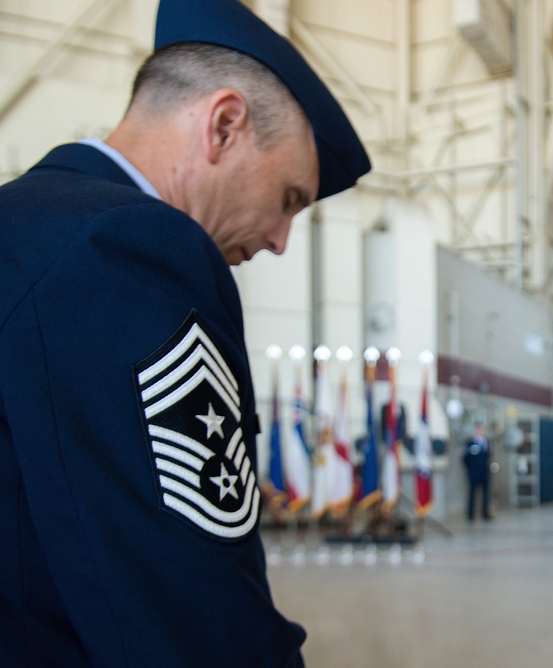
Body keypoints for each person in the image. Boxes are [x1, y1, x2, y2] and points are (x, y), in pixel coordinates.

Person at [0, 0, 369, 665]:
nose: (282, 241)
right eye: (289, 199)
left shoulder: (23, 226)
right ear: (225, 124)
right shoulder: (130, 247)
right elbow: (191, 609)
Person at [463, 422, 492, 521]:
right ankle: (470, 514)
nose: (480, 431)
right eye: (478, 429)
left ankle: (485, 513)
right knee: (472, 493)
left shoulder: (486, 442)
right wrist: (470, 468)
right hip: (473, 472)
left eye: (482, 429)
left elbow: (489, 456)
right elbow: (465, 458)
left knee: (486, 493)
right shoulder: (470, 443)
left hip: (484, 472)